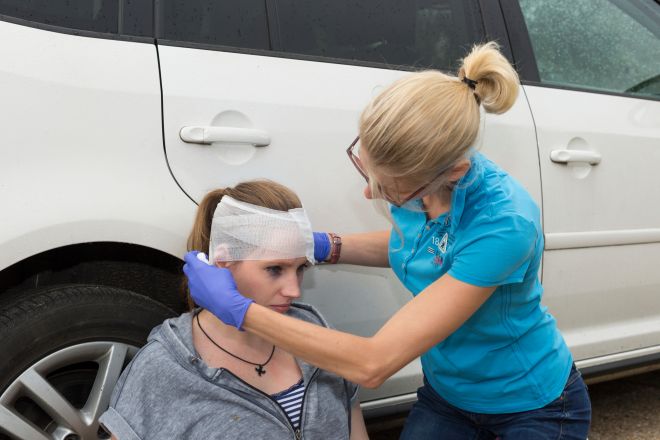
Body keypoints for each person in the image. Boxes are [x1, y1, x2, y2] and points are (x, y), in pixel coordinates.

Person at [183, 42, 592, 439]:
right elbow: (423, 246)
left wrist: (238, 310)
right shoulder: (426, 180)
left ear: (453, 173)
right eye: (368, 173)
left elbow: (372, 364)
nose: (370, 194)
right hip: (448, 393)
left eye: (392, 189)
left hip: (530, 403)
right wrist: (325, 245)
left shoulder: (505, 224)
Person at [99, 180, 369, 440]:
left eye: (300, 268)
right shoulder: (164, 366)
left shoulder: (314, 329)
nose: (294, 290)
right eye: (275, 269)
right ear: (223, 260)